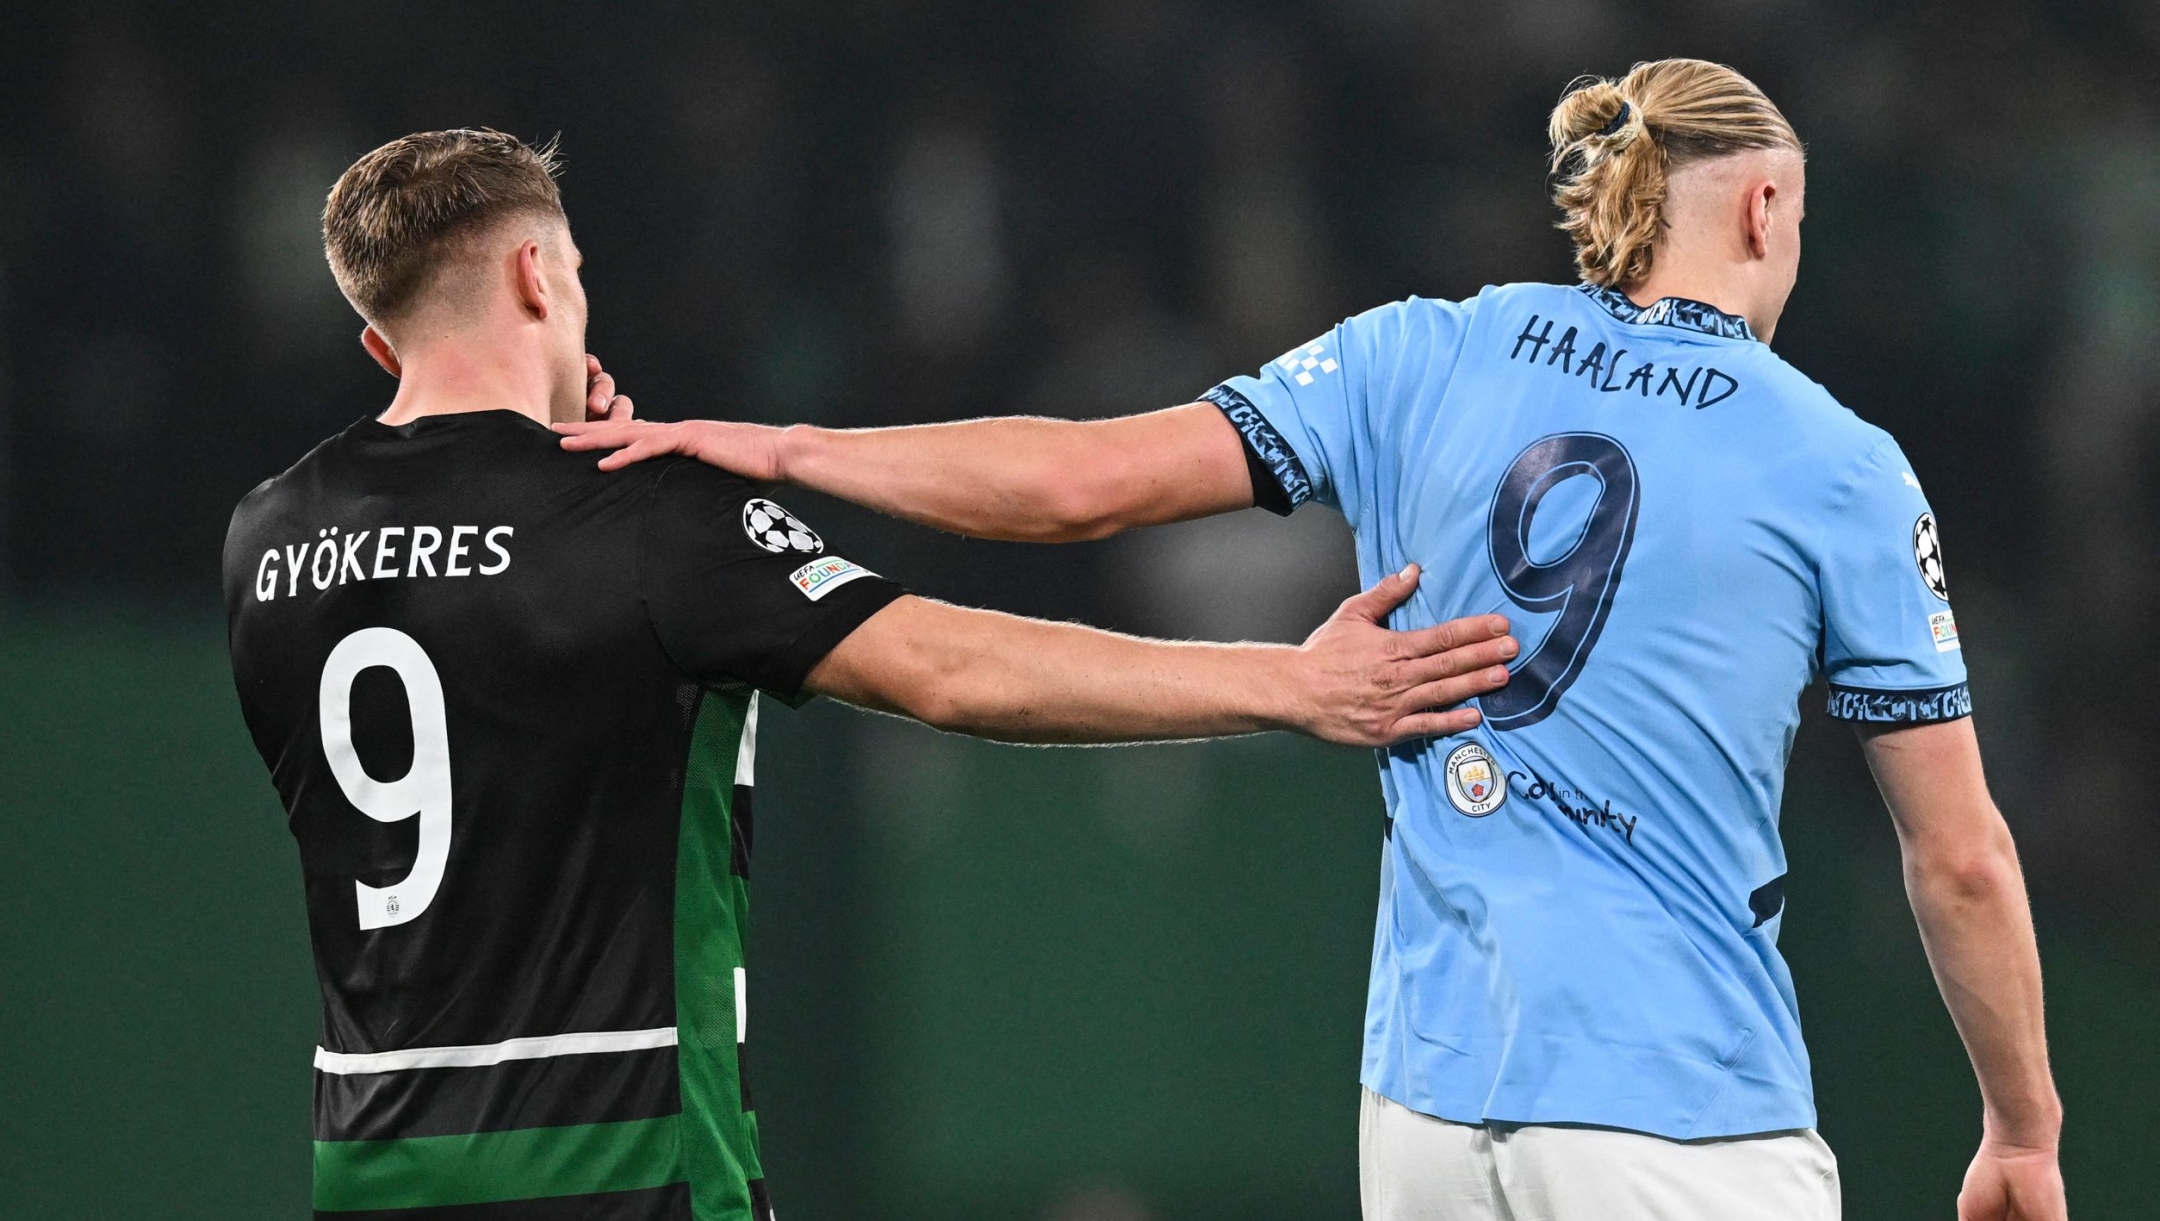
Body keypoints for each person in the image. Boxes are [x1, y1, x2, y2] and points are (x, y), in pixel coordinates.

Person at [560, 61, 2067, 1221]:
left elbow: (1079, 482)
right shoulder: (1839, 461)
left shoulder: (1425, 345)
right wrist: (2021, 1126)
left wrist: (786, 445)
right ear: (1764, 205)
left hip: (1421, 1109)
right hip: (1678, 1104)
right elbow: (1958, 856)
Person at [221, 129, 1521, 1221]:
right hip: (622, 1158)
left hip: (371, 1160)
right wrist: (1287, 682)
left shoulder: (268, 536)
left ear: (380, 344)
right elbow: (950, 671)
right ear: (536, 274)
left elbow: (488, 645)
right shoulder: (647, 524)